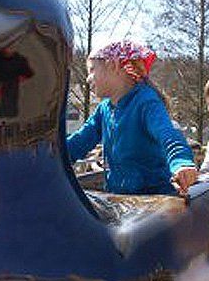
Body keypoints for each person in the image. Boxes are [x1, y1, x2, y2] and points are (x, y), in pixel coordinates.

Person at [66, 40, 198, 195]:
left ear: (114, 65)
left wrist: (181, 162)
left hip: (153, 197)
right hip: (120, 196)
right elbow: (80, 141)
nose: (88, 79)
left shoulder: (145, 101)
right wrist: (52, 154)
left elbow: (168, 135)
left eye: (92, 70)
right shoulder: (104, 109)